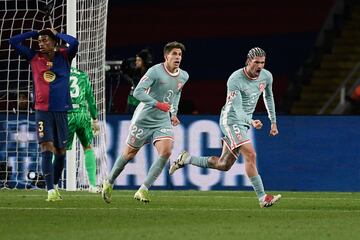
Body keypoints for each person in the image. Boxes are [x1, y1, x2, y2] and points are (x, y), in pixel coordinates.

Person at [169, 47, 281, 208]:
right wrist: (251, 121)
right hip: (231, 120)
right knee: (251, 154)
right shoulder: (235, 79)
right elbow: (237, 109)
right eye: (256, 62)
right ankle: (263, 198)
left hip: (244, 123)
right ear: (248, 61)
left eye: (263, 62)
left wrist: (273, 121)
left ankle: (186, 159)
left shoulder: (266, 76)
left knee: (224, 165)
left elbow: (268, 97)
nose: (260, 66)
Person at [102, 41, 189, 203]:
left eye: (180, 54)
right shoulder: (155, 71)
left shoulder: (184, 75)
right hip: (143, 118)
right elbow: (138, 93)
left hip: (162, 120)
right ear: (166, 56)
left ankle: (143, 190)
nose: (178, 57)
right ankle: (109, 181)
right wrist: (157, 104)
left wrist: (173, 112)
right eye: (174, 54)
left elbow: (176, 93)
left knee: (166, 151)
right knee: (129, 154)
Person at [9, 28, 78, 201]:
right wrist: (33, 33)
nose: (41, 43)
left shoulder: (64, 56)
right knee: (46, 147)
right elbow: (13, 41)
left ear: (54, 42)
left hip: (61, 110)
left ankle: (54, 185)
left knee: (61, 151)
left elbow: (75, 42)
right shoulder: (34, 57)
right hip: (42, 111)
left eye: (45, 40)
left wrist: (57, 34)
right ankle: (50, 190)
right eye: (39, 41)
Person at [53, 67, 100, 193]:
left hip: (67, 114)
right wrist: (95, 118)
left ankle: (52, 185)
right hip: (82, 114)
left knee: (59, 149)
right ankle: (93, 186)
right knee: (88, 147)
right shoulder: (82, 75)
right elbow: (90, 98)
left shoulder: (59, 72)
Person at [126, 49, 153, 114]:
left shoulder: (151, 73)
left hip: (144, 102)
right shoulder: (135, 72)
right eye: (136, 60)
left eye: (139, 60)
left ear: (144, 61)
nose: (136, 62)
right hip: (132, 100)